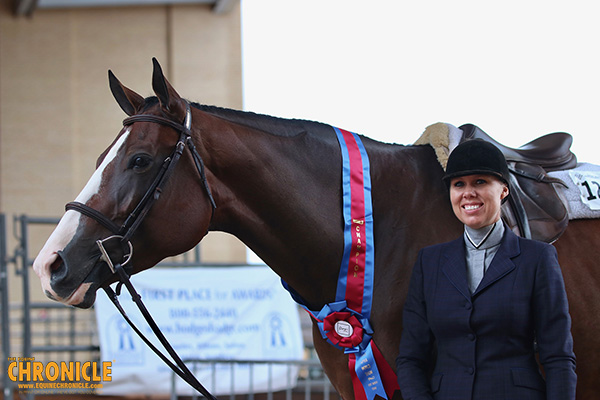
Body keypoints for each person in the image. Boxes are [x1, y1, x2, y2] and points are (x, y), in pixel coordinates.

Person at [395, 139, 576, 400]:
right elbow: (411, 358)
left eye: (480, 181)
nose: (468, 193)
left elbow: (558, 356)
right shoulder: (429, 262)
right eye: (459, 184)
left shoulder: (538, 258)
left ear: (503, 189)